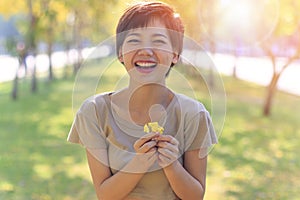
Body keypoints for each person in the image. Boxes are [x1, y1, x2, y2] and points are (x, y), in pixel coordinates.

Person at [67, 1, 218, 199]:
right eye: (134, 40)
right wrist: (140, 163)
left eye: (158, 41)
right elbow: (105, 195)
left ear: (175, 55)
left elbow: (195, 196)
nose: (146, 50)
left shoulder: (193, 114)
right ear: (120, 53)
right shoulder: (95, 112)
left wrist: (171, 165)